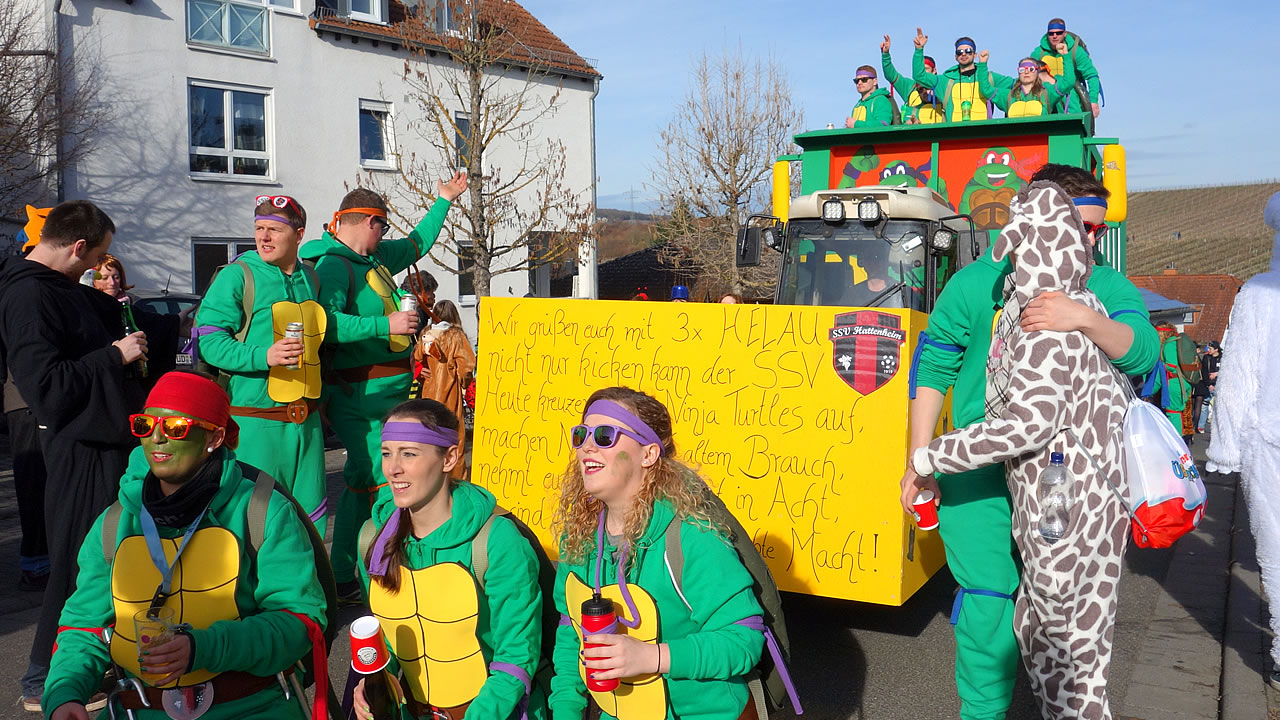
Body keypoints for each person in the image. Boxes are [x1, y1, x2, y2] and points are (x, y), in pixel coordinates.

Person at [903, 164, 1159, 720]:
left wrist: (1084, 318)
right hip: (979, 468)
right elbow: (936, 359)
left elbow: (1143, 352)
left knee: (1063, 618)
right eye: (1082, 228)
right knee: (988, 607)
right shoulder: (978, 281)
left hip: (1061, 479)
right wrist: (917, 459)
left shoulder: (1106, 284)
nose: (1092, 241)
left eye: (1097, 229)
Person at [43, 372, 328, 720]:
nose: (157, 438)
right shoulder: (114, 523)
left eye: (176, 427)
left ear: (215, 436)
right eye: (145, 425)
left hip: (251, 707)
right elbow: (82, 625)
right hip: (142, 710)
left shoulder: (262, 511)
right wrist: (65, 692)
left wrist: (205, 648)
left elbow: (300, 621)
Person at [0, 200, 150, 711]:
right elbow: (45, 386)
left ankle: (88, 662)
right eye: (97, 256)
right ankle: (41, 677)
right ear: (78, 246)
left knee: (104, 559)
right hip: (78, 450)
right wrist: (115, 355)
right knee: (75, 560)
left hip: (104, 441)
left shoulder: (58, 289)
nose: (98, 268)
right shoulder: (28, 296)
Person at [298, 173, 467, 604]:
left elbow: (415, 244)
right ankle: (380, 569)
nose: (386, 235)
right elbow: (325, 324)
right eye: (383, 227)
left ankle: (345, 572)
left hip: (386, 395)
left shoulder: (372, 260)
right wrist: (384, 324)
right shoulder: (334, 265)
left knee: (363, 480)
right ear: (367, 222)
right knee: (384, 479)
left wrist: (444, 199)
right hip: (360, 396)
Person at [549, 387, 764, 720]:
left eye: (605, 436)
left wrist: (653, 657)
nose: (586, 446)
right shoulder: (578, 538)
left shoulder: (692, 536)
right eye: (581, 435)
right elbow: (569, 631)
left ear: (648, 454)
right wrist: (565, 711)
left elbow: (744, 640)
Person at [352, 399, 545, 720]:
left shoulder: (497, 541)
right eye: (387, 452)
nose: (392, 468)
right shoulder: (372, 536)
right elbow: (390, 630)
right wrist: (374, 681)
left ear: (450, 457)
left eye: (409, 454)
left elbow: (517, 657)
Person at [194, 195, 331, 534]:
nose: (263, 237)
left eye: (274, 229)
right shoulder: (237, 276)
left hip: (307, 426)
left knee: (309, 527)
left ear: (299, 235)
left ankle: (305, 588)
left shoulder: (311, 279)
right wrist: (263, 356)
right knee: (255, 524)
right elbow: (209, 343)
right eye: (259, 228)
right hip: (255, 425)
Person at [1208, 191, 1280, 688]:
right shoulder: (1259, 293)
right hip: (1268, 436)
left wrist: (1228, 448)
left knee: (1277, 548)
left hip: (1268, 436)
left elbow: (1236, 378)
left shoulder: (1258, 293)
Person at [413, 300, 476, 479]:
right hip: (450, 393)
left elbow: (417, 360)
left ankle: (429, 477)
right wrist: (464, 384)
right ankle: (455, 481)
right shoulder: (455, 336)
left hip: (429, 392)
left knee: (430, 436)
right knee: (455, 438)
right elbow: (466, 366)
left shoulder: (426, 333)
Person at [911, 29, 993, 122]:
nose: (964, 53)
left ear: (975, 55)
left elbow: (1012, 87)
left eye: (968, 50)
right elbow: (919, 76)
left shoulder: (988, 77)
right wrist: (918, 50)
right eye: (960, 52)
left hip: (982, 134)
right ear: (955, 56)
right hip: (955, 135)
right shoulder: (945, 81)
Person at [1028, 17, 1102, 118]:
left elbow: (1092, 75)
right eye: (1051, 33)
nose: (1055, 36)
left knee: (1072, 101)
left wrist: (1093, 101)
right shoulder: (1039, 53)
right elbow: (1027, 74)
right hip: (1046, 93)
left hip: (1071, 95)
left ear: (1064, 33)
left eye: (1058, 33)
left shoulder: (1076, 52)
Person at [976, 52, 1067, 118]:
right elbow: (986, 90)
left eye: (1031, 69)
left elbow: (1068, 83)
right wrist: (983, 64)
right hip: (1015, 142)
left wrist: (1066, 57)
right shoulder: (1009, 95)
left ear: (1037, 72)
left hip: (1041, 142)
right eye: (1022, 70)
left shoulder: (1047, 93)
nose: (1026, 72)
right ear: (1018, 72)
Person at [881, 34, 945, 124]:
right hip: (912, 134)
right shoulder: (909, 86)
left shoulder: (942, 85)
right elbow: (891, 75)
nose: (922, 72)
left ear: (934, 70)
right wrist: (885, 55)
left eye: (925, 69)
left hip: (938, 134)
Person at [1154, 323, 1194, 440]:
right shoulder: (1177, 342)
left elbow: (1171, 366)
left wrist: (1158, 364)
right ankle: (1182, 438)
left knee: (1173, 412)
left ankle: (1176, 440)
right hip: (1183, 381)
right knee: (1181, 412)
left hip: (1175, 382)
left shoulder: (1169, 344)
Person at [1193, 341, 1220, 433]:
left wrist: (1217, 374)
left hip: (1219, 384)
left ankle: (1217, 427)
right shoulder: (1206, 358)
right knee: (1205, 405)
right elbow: (1204, 371)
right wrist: (1209, 384)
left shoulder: (1222, 358)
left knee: (1218, 406)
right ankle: (1201, 426)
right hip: (1209, 384)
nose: (1208, 350)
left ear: (1216, 349)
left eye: (1210, 348)